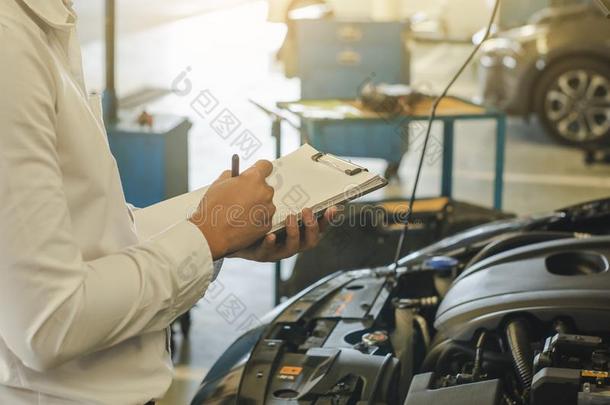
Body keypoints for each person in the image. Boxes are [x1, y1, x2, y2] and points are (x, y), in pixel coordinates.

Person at [0, 0, 333, 403]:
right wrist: (207, 234)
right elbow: (49, 323)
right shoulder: (10, 46)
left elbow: (90, 233)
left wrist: (221, 228)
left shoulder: (45, 25)